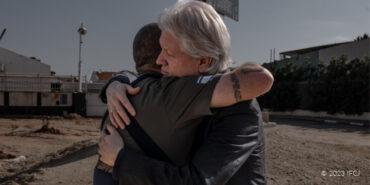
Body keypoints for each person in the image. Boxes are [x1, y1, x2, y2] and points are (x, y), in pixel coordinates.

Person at [98, 1, 273, 185]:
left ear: (204, 62)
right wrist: (116, 83)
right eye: (160, 49)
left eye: (169, 53)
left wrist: (120, 159)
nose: (159, 60)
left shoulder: (239, 110)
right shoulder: (180, 84)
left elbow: (196, 180)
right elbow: (141, 76)